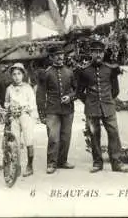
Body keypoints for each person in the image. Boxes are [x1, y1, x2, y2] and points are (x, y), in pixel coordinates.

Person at [76, 40, 128, 173]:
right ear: (91, 54)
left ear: (104, 53)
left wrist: (107, 100)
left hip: (108, 107)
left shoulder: (110, 69)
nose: (98, 55)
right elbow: (79, 92)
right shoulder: (84, 71)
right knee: (94, 135)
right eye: (95, 52)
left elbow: (115, 91)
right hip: (92, 108)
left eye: (100, 52)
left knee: (113, 134)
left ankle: (116, 163)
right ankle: (97, 163)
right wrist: (89, 101)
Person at [36, 45, 76, 174]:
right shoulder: (46, 73)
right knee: (53, 137)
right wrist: (42, 114)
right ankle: (51, 163)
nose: (60, 57)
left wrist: (70, 97)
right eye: (57, 55)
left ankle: (62, 161)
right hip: (52, 110)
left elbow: (77, 90)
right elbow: (40, 94)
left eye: (61, 55)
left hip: (68, 110)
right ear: (51, 57)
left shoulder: (69, 72)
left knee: (66, 137)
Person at [4, 63, 38, 177]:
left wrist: (25, 109)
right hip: (14, 116)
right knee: (15, 142)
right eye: (14, 74)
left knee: (28, 140)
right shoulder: (9, 89)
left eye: (19, 74)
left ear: (23, 74)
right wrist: (9, 107)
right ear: (11, 76)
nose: (16, 76)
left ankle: (30, 166)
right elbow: (6, 102)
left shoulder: (28, 88)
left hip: (25, 115)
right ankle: (17, 166)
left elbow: (32, 104)